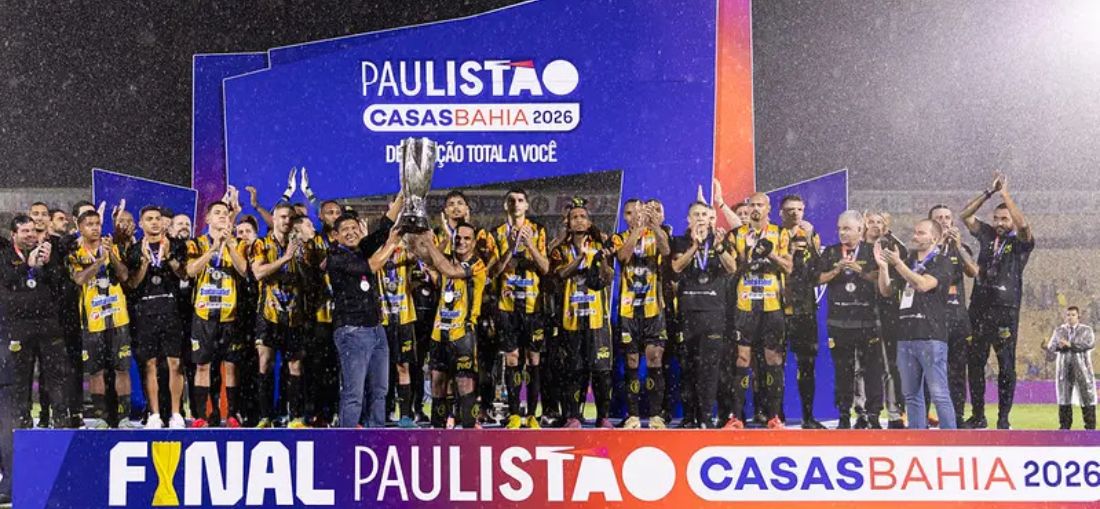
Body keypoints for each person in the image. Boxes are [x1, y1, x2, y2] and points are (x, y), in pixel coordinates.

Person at [960, 171, 1035, 429]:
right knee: (975, 363)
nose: (1000, 223)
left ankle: (1003, 418)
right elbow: (965, 216)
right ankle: (978, 416)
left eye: (1004, 219)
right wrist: (989, 193)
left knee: (1006, 365)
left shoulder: (1021, 243)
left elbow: (1023, 227)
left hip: (1005, 310)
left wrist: (1005, 194)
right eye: (997, 218)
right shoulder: (988, 235)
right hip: (979, 307)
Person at [874, 219, 956, 430]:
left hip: (930, 335)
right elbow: (886, 291)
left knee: (939, 394)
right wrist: (883, 268)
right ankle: (917, 440)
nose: (915, 236)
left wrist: (897, 264)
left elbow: (923, 284)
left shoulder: (942, 261)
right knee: (910, 395)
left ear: (934, 238)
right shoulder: (909, 260)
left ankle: (951, 440)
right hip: (905, 335)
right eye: (915, 232)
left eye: (921, 233)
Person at [410, 220, 489, 429]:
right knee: (438, 382)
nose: (461, 242)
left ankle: (468, 430)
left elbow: (451, 272)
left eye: (467, 238)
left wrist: (431, 244)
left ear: (474, 243)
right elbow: (422, 255)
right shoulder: (445, 259)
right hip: (439, 333)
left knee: (464, 384)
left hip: (463, 333)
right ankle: (437, 430)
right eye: (458, 238)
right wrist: (420, 234)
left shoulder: (477, 264)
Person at [327, 205, 398, 428]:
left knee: (380, 390)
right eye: (345, 230)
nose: (351, 232)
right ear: (335, 235)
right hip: (351, 331)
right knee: (354, 393)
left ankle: (375, 435)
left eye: (354, 228)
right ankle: (346, 440)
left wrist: (403, 197)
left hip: (376, 329)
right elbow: (372, 266)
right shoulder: (336, 257)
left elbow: (384, 227)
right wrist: (392, 244)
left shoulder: (361, 249)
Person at [726, 193, 792, 429]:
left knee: (773, 359)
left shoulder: (780, 233)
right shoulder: (737, 234)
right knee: (743, 359)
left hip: (772, 306)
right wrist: (737, 252)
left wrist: (769, 253)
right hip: (745, 306)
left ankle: (774, 416)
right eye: (752, 205)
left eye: (759, 205)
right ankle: (736, 416)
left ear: (768, 208)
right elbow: (732, 268)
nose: (755, 208)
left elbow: (789, 266)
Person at [67, 210, 135, 428]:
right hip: (92, 320)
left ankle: (124, 417)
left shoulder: (113, 247)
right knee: (96, 371)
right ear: (80, 228)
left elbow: (124, 275)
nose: (95, 228)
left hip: (118, 318)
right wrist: (98, 262)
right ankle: (100, 417)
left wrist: (111, 256)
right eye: (89, 224)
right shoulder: (75, 252)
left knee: (122, 369)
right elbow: (79, 279)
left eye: (97, 223)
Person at [670, 202, 737, 428]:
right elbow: (676, 267)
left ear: (711, 220)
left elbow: (732, 268)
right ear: (689, 219)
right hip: (688, 313)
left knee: (709, 369)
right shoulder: (680, 241)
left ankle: (706, 417)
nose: (700, 218)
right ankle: (689, 418)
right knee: (688, 367)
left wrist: (718, 248)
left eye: (705, 215)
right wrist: (694, 247)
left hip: (714, 313)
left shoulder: (720, 240)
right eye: (696, 214)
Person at [185, 197, 250, 428]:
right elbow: (191, 271)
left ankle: (231, 414)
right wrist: (213, 249)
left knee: (230, 366)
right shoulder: (196, 243)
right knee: (202, 366)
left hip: (229, 315)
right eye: (218, 213)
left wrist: (229, 244)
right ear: (207, 218)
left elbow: (244, 271)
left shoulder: (238, 243)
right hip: (203, 315)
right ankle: (201, 416)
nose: (222, 216)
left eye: (225, 213)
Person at [0, 215, 70, 428]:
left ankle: (60, 417)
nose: (30, 235)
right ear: (14, 234)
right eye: (25, 231)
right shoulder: (5, 255)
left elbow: (61, 285)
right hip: (18, 325)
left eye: (32, 230)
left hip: (48, 324)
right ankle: (23, 420)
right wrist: (26, 265)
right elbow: (7, 281)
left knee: (55, 374)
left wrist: (48, 265)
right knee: (21, 376)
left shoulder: (47, 253)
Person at [550, 203, 615, 428]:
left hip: (598, 320)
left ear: (589, 222)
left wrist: (602, 259)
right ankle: (574, 417)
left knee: (601, 371)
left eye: (583, 216)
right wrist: (580, 259)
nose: (579, 220)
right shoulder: (560, 250)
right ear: (568, 223)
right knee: (573, 370)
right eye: (574, 217)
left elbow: (607, 278)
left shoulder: (601, 246)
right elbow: (560, 274)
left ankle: (603, 417)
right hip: (571, 320)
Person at [490, 189, 550, 429]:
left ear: (526, 206)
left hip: (533, 307)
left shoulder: (539, 230)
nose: (516, 204)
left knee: (533, 358)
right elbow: (494, 271)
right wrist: (512, 247)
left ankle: (532, 414)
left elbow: (545, 267)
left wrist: (530, 245)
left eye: (520, 200)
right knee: (513, 358)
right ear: (506, 206)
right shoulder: (496, 233)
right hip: (507, 308)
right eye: (511, 200)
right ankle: (515, 413)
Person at [818, 210, 883, 429]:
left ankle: (873, 415)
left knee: (872, 371)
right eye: (839, 228)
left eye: (846, 228)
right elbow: (817, 279)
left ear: (860, 229)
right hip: (839, 323)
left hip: (867, 322)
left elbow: (881, 280)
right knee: (843, 372)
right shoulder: (831, 252)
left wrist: (861, 271)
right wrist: (836, 270)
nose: (842, 233)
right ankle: (844, 415)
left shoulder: (871, 251)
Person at [125, 206, 188, 428]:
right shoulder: (134, 250)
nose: (154, 222)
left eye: (158, 219)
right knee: (149, 363)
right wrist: (144, 263)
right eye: (149, 219)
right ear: (141, 224)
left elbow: (184, 274)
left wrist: (168, 255)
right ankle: (154, 413)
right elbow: (132, 284)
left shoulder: (176, 245)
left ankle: (176, 413)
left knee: (175, 363)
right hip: (145, 313)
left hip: (171, 310)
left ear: (163, 222)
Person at [612, 198, 671, 429]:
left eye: (638, 213)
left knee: (655, 359)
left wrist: (653, 226)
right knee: (632, 361)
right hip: (628, 310)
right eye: (629, 213)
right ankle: (633, 415)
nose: (634, 216)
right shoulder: (619, 237)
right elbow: (623, 258)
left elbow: (666, 251)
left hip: (653, 308)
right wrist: (636, 230)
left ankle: (655, 415)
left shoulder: (658, 234)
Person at [251, 203, 309, 428]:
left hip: (294, 314)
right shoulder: (261, 244)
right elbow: (258, 273)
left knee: (295, 365)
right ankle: (265, 416)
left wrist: (302, 258)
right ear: (273, 219)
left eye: (290, 218)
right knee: (265, 362)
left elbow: (310, 277)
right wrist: (285, 258)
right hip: (268, 313)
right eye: (283, 217)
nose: (287, 221)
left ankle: (295, 416)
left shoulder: (300, 245)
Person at [929, 205, 979, 428]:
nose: (944, 221)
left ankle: (956, 416)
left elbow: (973, 272)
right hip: (932, 319)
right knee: (929, 370)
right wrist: (938, 245)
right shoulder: (924, 249)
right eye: (938, 218)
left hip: (958, 318)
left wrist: (957, 246)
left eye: (947, 217)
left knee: (957, 371)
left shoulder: (961, 247)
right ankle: (924, 417)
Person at [778, 195, 825, 429]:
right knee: (774, 364)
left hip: (804, 309)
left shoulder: (810, 235)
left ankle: (808, 417)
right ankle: (775, 416)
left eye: (799, 209)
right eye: (789, 210)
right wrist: (789, 249)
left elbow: (818, 269)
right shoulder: (774, 235)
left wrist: (810, 242)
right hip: (777, 308)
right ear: (781, 213)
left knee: (807, 364)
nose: (795, 213)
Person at [372, 204, 420, 428]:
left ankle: (406, 415)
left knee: (403, 367)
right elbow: (371, 265)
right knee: (380, 369)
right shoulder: (375, 249)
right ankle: (381, 413)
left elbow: (422, 256)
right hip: (380, 319)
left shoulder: (407, 247)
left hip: (404, 318)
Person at [1045, 306, 1096, 430]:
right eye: (1068, 315)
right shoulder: (1059, 330)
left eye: (1073, 315)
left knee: (1087, 396)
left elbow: (1089, 344)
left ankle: (1090, 427)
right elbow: (1052, 347)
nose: (1070, 317)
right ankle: (1064, 427)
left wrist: (1070, 345)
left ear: (1078, 316)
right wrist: (1057, 347)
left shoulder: (1086, 330)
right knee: (1064, 396)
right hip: (1064, 368)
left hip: (1082, 368)